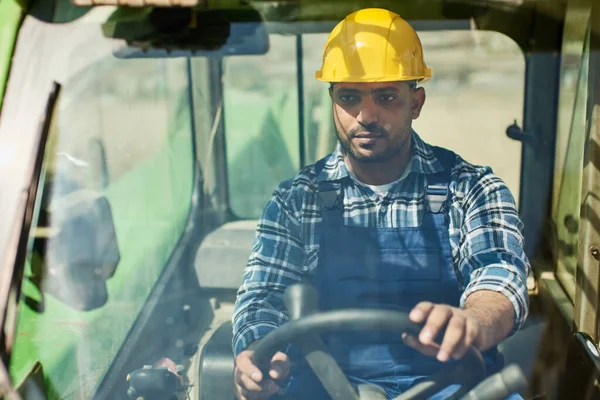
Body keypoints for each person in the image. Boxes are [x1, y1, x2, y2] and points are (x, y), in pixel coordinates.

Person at [232, 7, 530, 400]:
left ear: (416, 102)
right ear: (333, 101)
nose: (366, 115)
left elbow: (500, 276)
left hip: (452, 385)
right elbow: (264, 295)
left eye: (386, 96)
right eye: (349, 97)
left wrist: (472, 322)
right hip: (325, 385)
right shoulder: (296, 199)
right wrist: (258, 350)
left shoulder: (473, 188)